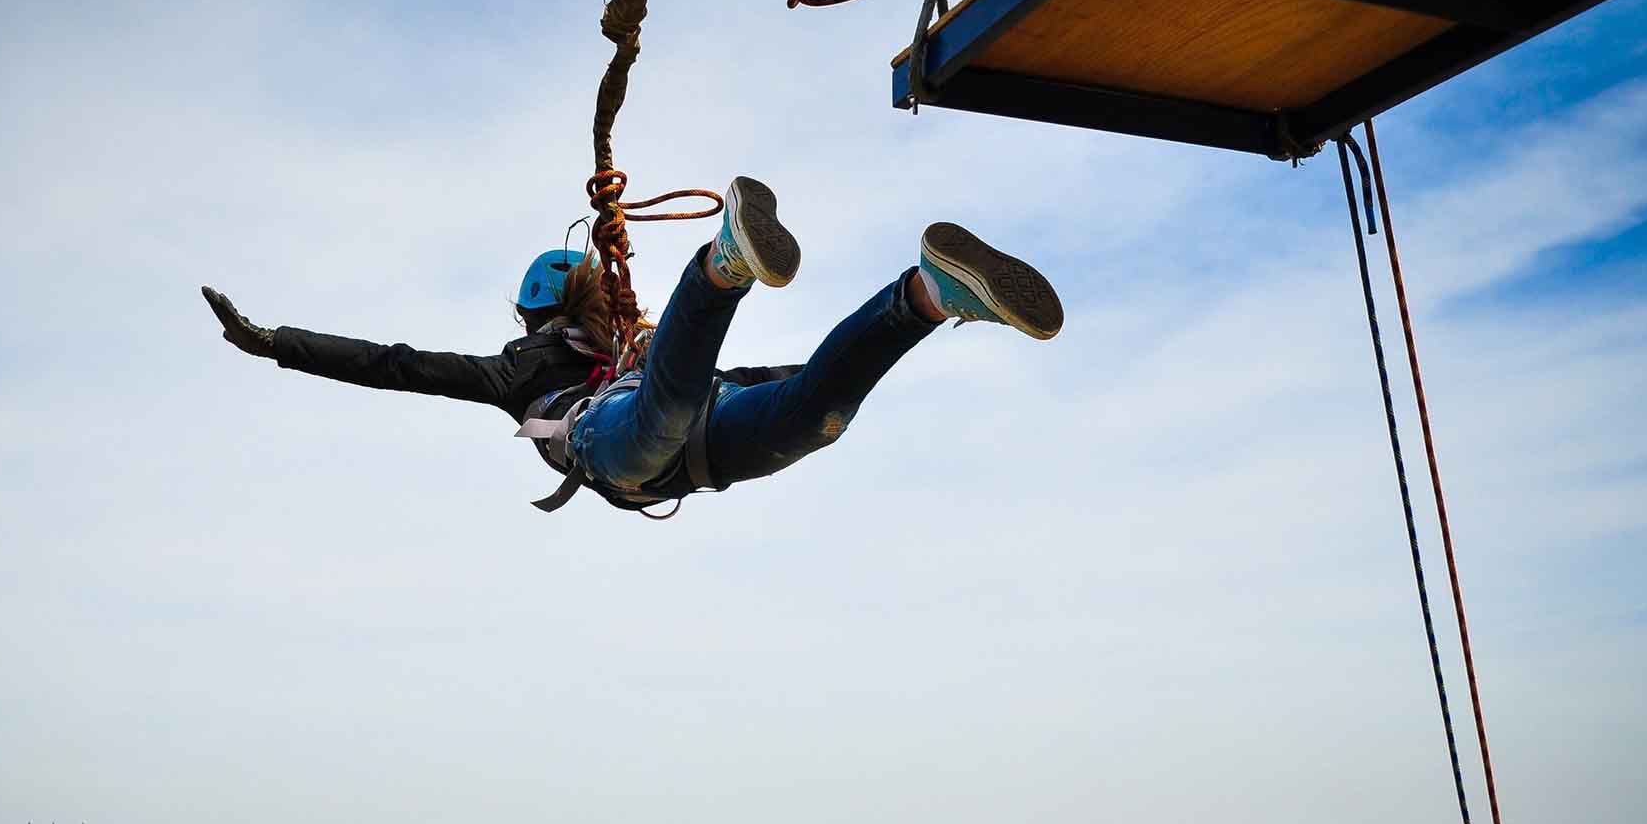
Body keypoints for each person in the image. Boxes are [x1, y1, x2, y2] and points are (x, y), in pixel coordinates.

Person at [201, 177, 1061, 514]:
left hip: (661, 437)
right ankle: (758, 272)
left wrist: (819, 373)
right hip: (657, 447)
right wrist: (275, 341)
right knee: (683, 403)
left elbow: (393, 363)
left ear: (535, 307)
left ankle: (925, 294)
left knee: (816, 419)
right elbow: (392, 365)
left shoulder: (629, 351)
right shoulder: (525, 372)